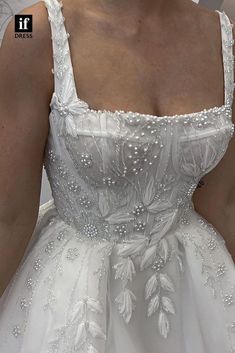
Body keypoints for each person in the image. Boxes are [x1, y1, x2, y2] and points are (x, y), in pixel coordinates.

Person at [0, 0, 235, 351]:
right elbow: (8, 216)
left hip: (195, 289)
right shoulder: (30, 28)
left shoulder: (223, 36)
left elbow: (222, 203)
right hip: (75, 291)